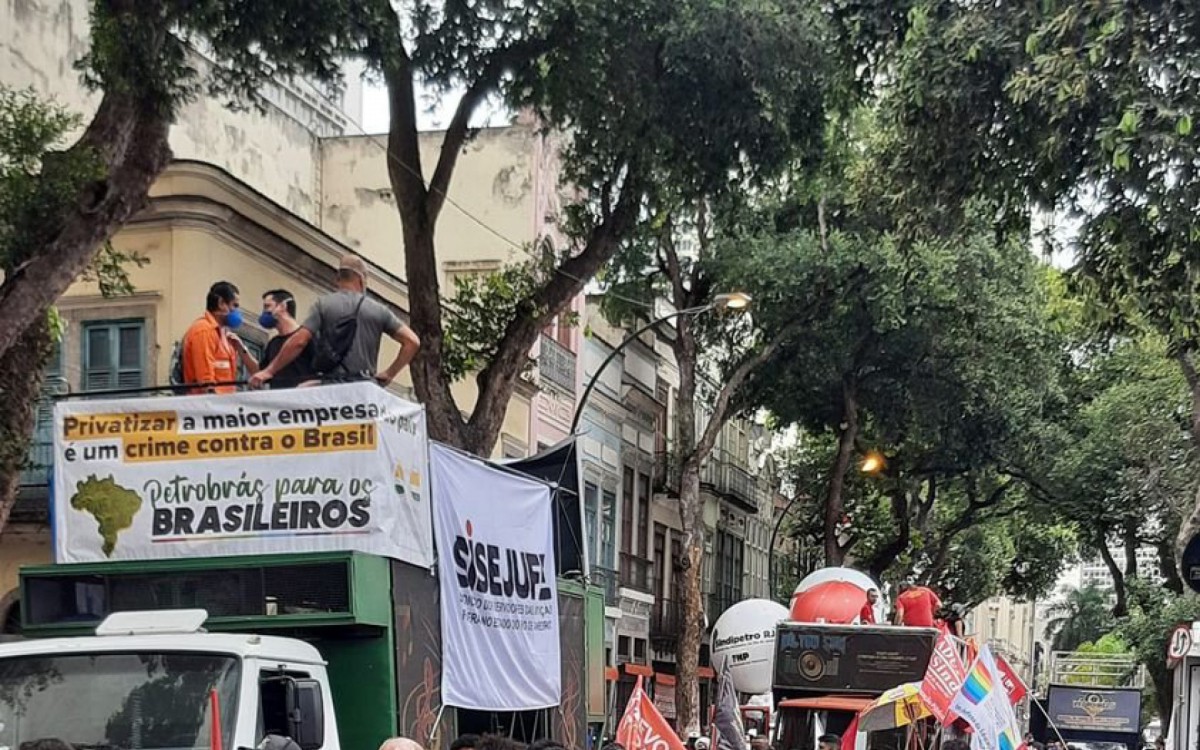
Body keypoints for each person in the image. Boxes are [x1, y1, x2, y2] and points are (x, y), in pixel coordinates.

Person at [250, 254, 420, 389]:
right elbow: (412, 342)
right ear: (362, 280)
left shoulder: (323, 304)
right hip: (365, 389)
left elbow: (300, 341)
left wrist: (269, 371)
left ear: (338, 278)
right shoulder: (379, 310)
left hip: (331, 389)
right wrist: (390, 373)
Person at [182, 281, 257, 394]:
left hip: (224, 405)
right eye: (234, 305)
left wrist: (242, 348)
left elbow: (256, 371)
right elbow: (206, 381)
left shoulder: (224, 334)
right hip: (209, 407)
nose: (237, 311)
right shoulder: (204, 330)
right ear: (221, 303)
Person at [257, 289, 316, 388]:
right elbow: (261, 373)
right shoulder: (273, 343)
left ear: (283, 306)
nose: (264, 312)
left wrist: (310, 385)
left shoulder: (308, 337)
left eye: (267, 306)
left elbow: (324, 372)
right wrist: (243, 350)